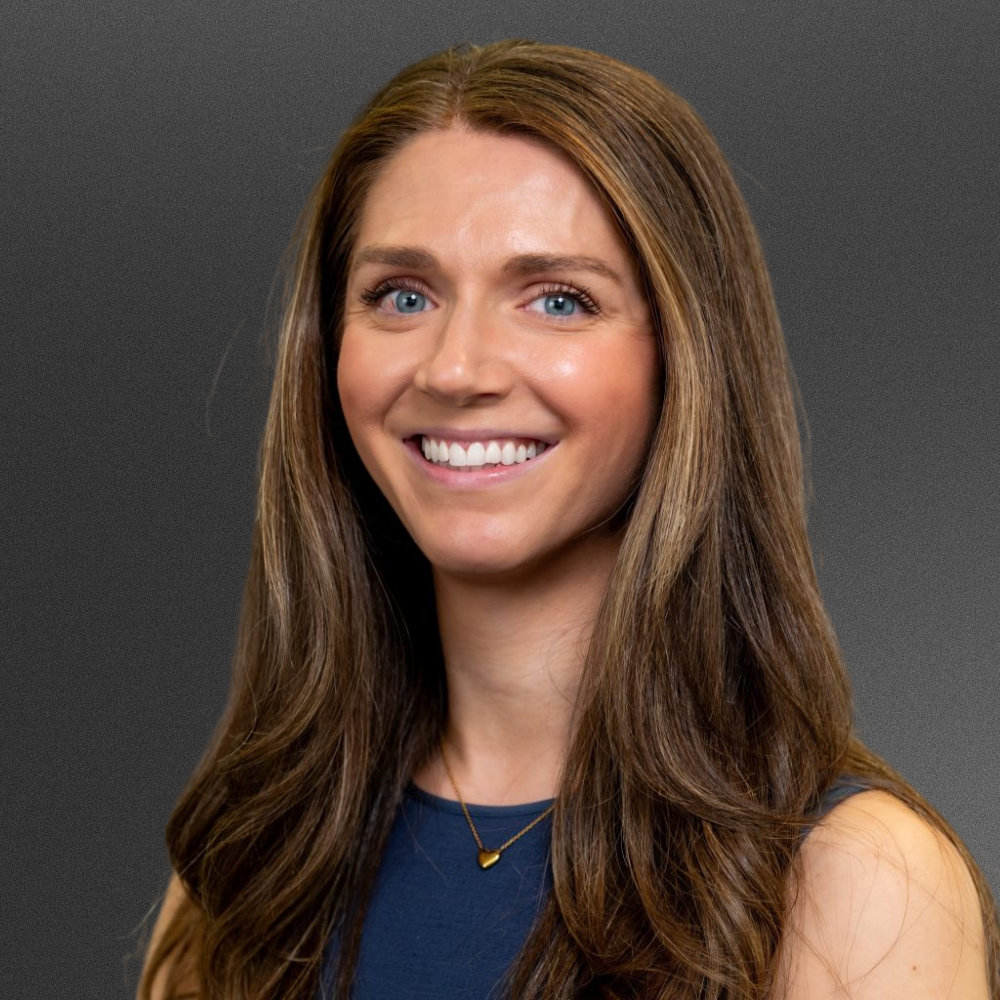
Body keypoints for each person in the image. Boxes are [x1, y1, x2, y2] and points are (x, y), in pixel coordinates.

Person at [138, 39, 998, 1000]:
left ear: (684, 358)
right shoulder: (246, 867)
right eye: (402, 295)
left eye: (558, 299)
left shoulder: (859, 888)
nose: (457, 369)